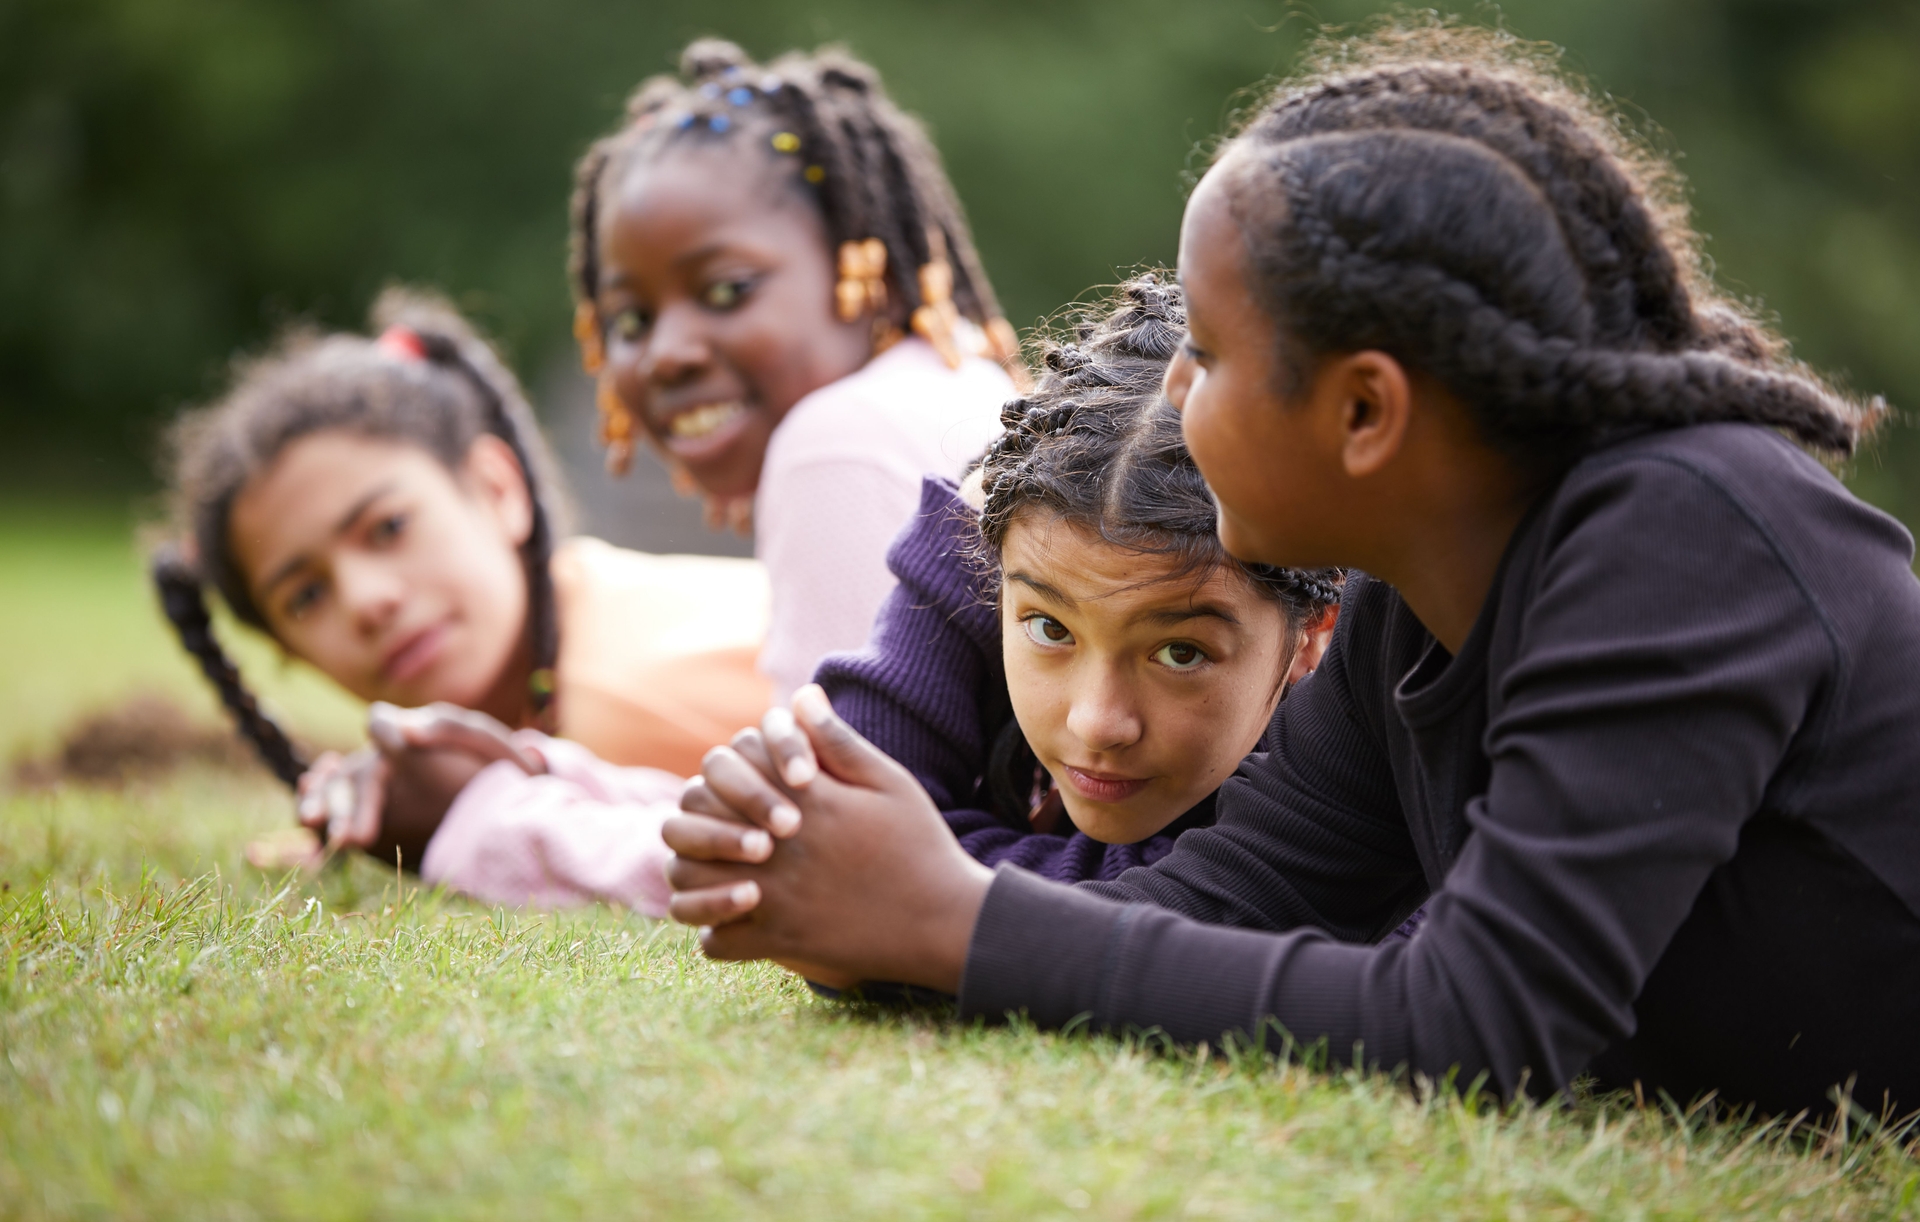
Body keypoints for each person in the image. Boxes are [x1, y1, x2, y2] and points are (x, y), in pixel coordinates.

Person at [659, 31, 1920, 1117]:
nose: (1173, 389)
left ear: (1365, 411)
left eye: (1206, 352)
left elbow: (1482, 1022)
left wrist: (950, 922)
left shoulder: (1686, 529)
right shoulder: (1405, 611)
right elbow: (1233, 900)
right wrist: (861, 900)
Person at [155, 289, 768, 909]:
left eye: (389, 528)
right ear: (288, 653)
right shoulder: (555, 669)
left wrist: (467, 824)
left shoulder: (621, 689)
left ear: (496, 489)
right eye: (307, 596)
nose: (367, 601)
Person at [817, 273, 1341, 883]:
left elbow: (1158, 911)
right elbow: (845, 810)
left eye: (1179, 653)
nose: (1096, 722)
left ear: (1311, 637)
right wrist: (963, 535)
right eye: (1048, 627)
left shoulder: (1362, 775)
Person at [568, 39, 1020, 702]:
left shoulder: (834, 445)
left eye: (727, 290)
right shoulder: (959, 383)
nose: (666, 353)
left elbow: (830, 791)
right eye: (631, 322)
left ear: (873, 272)